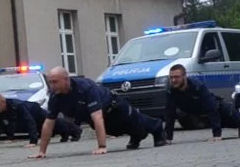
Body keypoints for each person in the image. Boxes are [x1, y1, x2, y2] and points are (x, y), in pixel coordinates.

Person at [29, 67, 166, 159]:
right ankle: (137, 135)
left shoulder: (85, 87)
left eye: (55, 82)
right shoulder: (55, 96)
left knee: (134, 121)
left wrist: (102, 146)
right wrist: (42, 151)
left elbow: (98, 117)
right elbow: (48, 123)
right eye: (50, 82)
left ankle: (157, 127)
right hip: (99, 119)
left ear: (66, 79)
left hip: (115, 107)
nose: (52, 86)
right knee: (115, 131)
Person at [165, 64, 240, 142]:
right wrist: (168, 138)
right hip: (198, 113)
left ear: (184, 76)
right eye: (171, 77)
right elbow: (170, 113)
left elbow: (212, 107)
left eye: (176, 77)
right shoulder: (170, 90)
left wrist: (216, 135)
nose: (173, 80)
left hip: (216, 107)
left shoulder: (197, 86)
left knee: (234, 120)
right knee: (223, 123)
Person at [0, 94, 81, 148]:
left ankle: (76, 131)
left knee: (55, 124)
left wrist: (33, 142)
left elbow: (29, 121)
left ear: (3, 102)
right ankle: (65, 134)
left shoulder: (18, 105)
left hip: (36, 112)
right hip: (26, 119)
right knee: (46, 129)